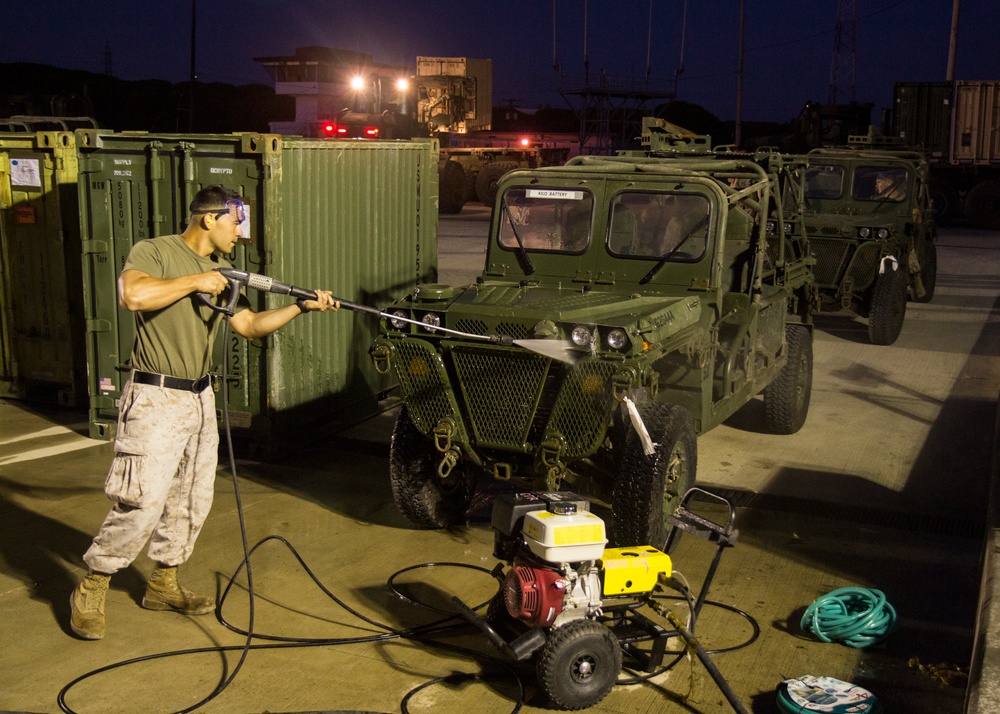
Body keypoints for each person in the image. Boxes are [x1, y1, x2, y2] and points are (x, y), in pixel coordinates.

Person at [70, 185, 338, 640]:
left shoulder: (226, 272)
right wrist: (194, 281)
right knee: (142, 499)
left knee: (190, 500)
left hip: (199, 397)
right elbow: (132, 296)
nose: (241, 233)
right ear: (210, 219)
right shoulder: (155, 251)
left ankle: (163, 582)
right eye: (236, 222)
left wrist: (299, 306)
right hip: (155, 396)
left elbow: (250, 326)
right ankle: (94, 582)